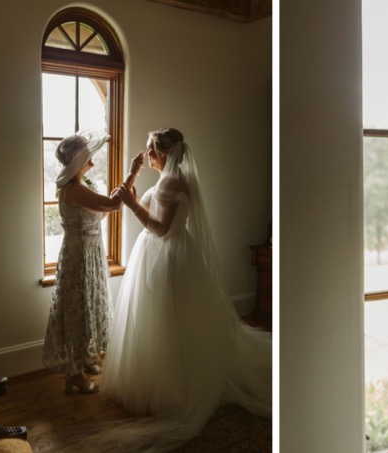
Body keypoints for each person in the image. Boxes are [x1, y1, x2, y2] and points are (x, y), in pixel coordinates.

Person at [79, 128, 272, 451]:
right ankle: (160, 379)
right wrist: (134, 181)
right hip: (165, 254)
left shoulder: (172, 181)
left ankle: (174, 388)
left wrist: (131, 204)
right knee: (167, 321)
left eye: (150, 151)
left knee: (168, 322)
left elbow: (161, 228)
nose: (147, 155)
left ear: (163, 153)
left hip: (168, 256)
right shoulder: (174, 176)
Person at [42, 130, 133, 395]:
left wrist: (107, 203)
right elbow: (114, 205)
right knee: (77, 312)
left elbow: (97, 216)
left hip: (90, 253)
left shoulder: (80, 188)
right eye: (88, 157)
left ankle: (83, 360)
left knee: (88, 307)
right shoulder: (73, 189)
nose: (92, 161)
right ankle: (74, 374)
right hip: (79, 257)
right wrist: (132, 172)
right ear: (77, 161)